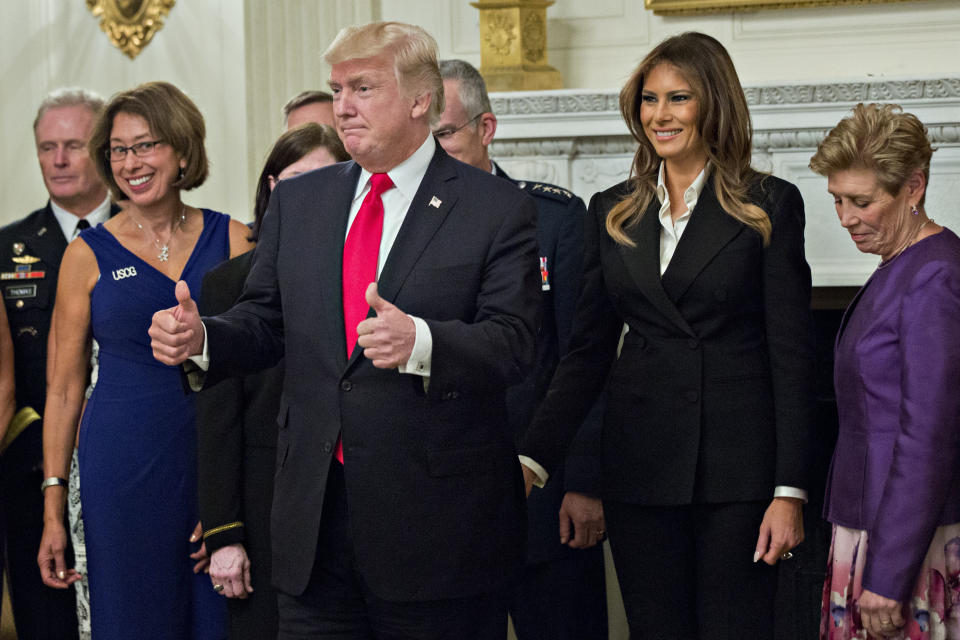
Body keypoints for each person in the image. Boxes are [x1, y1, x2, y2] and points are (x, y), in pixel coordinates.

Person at [149, 21, 540, 640]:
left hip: (437, 532)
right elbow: (266, 323)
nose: (343, 107)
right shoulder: (303, 203)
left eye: (362, 87)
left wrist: (424, 343)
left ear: (420, 99)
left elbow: (517, 341)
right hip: (315, 524)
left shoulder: (493, 206)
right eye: (337, 89)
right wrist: (202, 339)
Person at [517, 31, 817, 639]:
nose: (660, 115)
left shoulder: (770, 205)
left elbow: (793, 359)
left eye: (678, 98)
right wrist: (534, 456)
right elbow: (587, 352)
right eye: (650, 100)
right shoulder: (612, 210)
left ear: (715, 105)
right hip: (641, 467)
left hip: (738, 475)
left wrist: (790, 491)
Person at [37, 80, 253, 640]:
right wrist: (54, 505)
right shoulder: (86, 254)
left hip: (210, 457)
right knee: (133, 619)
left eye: (146, 144)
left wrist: (232, 504)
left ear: (182, 150)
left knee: (217, 620)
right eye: (118, 149)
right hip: (120, 468)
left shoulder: (234, 239)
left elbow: (260, 373)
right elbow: (62, 389)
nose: (130, 161)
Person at [435, 58, 607, 640]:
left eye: (445, 133)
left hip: (543, 484)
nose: (432, 150)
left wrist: (582, 480)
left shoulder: (553, 219)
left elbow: (583, 357)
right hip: (443, 495)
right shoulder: (400, 227)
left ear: (486, 129)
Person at [809, 103, 960, 640]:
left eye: (862, 201)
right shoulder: (902, 265)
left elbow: (929, 438)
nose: (845, 217)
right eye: (837, 200)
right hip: (871, 531)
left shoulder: (935, 275)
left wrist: (889, 575)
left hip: (901, 546)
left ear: (914, 186)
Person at [197, 123, 349, 640]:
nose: (308, 195)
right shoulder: (229, 282)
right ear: (270, 189)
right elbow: (216, 422)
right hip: (261, 500)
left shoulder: (368, 272)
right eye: (293, 181)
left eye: (323, 179)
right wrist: (223, 532)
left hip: (347, 498)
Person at [0, 87, 119, 640]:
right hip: (31, 471)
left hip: (126, 458)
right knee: (45, 618)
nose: (59, 160)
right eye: (47, 147)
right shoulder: (8, 248)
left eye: (73, 145)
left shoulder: (147, 232)